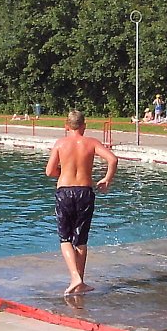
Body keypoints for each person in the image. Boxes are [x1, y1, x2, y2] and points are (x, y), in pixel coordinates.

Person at [45, 110, 118, 296]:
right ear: (84, 126)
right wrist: (107, 180)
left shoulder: (60, 143)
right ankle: (80, 281)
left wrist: (62, 173)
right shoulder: (91, 143)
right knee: (81, 239)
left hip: (64, 192)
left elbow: (49, 171)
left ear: (66, 126)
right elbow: (112, 159)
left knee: (65, 238)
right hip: (85, 192)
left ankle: (74, 277)